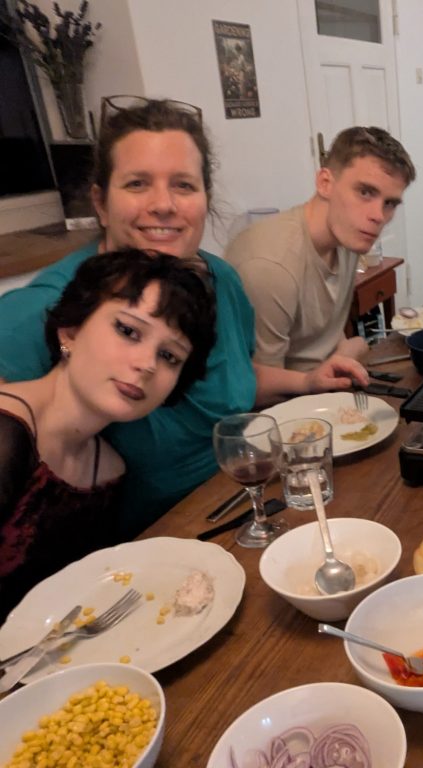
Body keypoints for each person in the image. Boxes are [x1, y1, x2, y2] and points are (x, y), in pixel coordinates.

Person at [0, 97, 369, 536]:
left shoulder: (221, 281)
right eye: (137, 183)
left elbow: (234, 378)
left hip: (241, 500)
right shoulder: (37, 313)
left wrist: (306, 381)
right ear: (100, 202)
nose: (163, 204)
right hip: (147, 540)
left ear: (205, 200)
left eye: (183, 185)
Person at [0, 249, 216, 620]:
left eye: (169, 356)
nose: (147, 364)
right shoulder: (6, 433)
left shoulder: (109, 469)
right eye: (128, 331)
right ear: (70, 331)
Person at [225, 126, 415, 371]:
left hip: (328, 385)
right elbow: (257, 385)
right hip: (287, 394)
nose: (378, 216)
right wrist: (350, 352)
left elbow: (326, 335)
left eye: (389, 203)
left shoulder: (348, 238)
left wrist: (348, 350)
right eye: (365, 192)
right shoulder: (271, 266)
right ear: (325, 183)